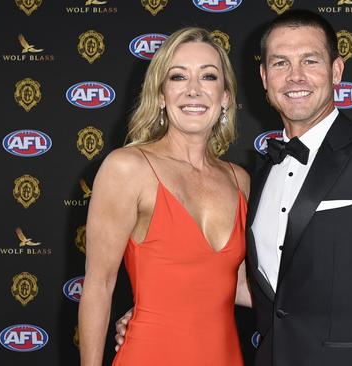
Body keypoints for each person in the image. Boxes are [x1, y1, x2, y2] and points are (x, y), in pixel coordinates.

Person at [117, 9, 352, 366]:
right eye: (280, 63)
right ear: (263, 76)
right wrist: (157, 311)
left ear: (336, 71)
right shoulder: (256, 177)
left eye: (310, 60)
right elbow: (255, 285)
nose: (295, 76)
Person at [79, 27, 251, 366]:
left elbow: (243, 286)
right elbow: (99, 286)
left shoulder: (239, 179)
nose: (193, 90)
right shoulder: (128, 168)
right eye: (177, 77)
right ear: (160, 94)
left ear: (226, 96)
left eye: (209, 76)